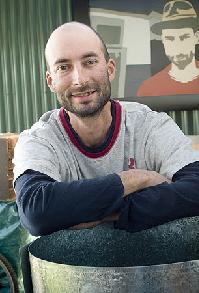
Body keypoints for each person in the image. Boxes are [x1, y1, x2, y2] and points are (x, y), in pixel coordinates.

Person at [13, 21, 199, 236]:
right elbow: (36, 212)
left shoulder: (149, 125)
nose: (79, 80)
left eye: (90, 62)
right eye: (63, 67)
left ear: (110, 69)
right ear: (50, 81)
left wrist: (113, 213)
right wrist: (139, 179)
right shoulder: (38, 139)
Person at [137, 0, 199, 97]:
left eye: (184, 37)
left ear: (196, 37)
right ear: (163, 40)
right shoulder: (148, 88)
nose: (177, 47)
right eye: (170, 39)